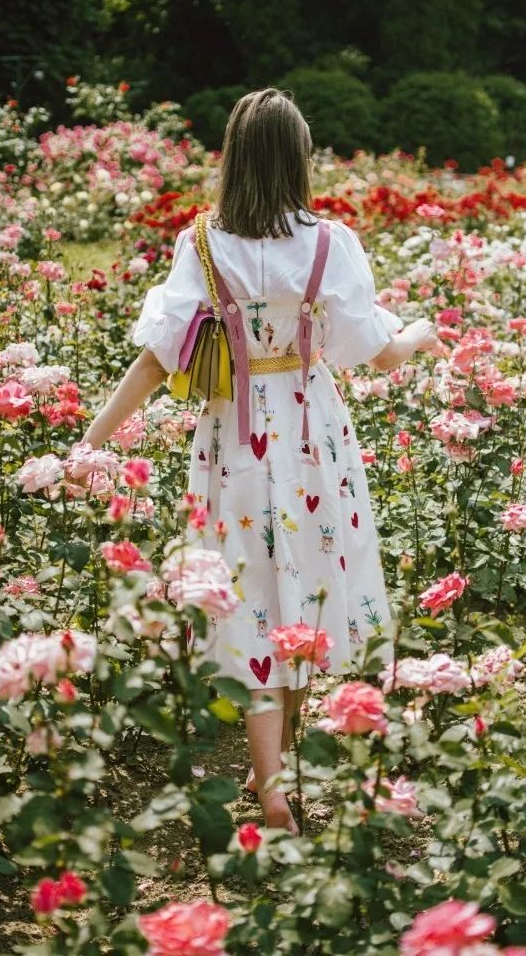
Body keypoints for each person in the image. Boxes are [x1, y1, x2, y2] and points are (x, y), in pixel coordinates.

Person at [79, 88, 440, 835]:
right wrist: (419, 334)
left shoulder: (203, 246)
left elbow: (157, 358)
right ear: (297, 160)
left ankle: (270, 784)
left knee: (247, 593)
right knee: (303, 585)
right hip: (312, 436)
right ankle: (272, 773)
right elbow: (369, 351)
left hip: (232, 440)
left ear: (235, 157)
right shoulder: (328, 243)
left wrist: (90, 441)